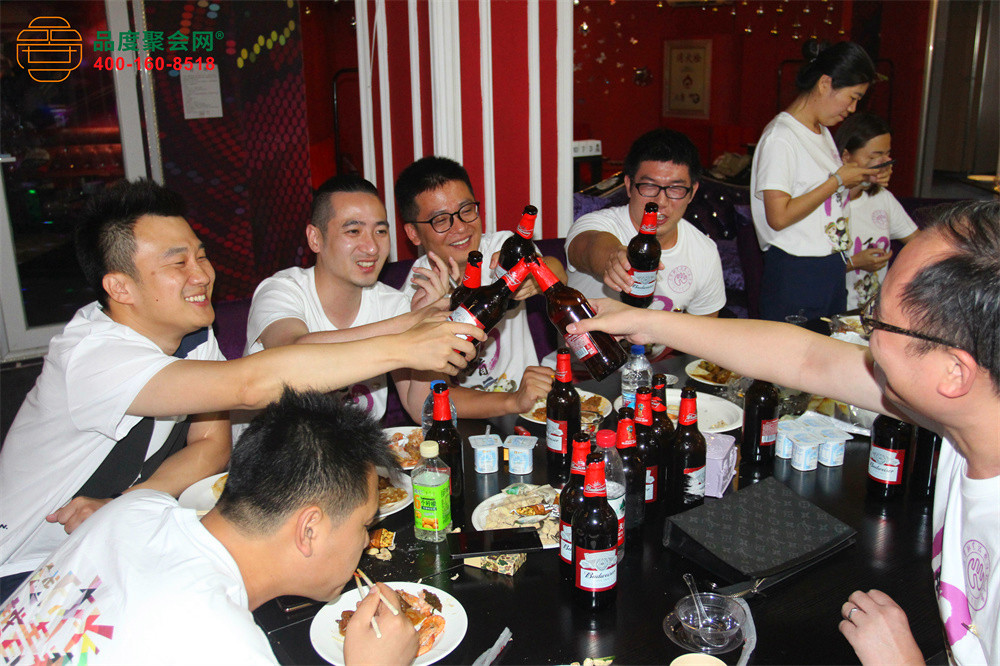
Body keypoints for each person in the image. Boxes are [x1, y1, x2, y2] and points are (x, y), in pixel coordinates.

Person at [0, 179, 484, 597]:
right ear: (120, 288)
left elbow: (210, 447)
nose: (202, 275)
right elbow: (252, 386)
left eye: (201, 255)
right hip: (29, 567)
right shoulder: (91, 355)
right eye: (178, 263)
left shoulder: (192, 336)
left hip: (114, 537)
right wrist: (404, 344)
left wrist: (122, 504)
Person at [567, 200, 1000, 665]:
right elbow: (807, 358)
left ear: (954, 373)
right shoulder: (967, 412)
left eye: (878, 322)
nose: (867, 339)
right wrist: (644, 321)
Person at [1, 389, 419, 665]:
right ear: (309, 530)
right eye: (365, 524)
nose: (366, 541)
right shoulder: (222, 644)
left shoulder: (132, 510)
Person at [245, 174, 454, 422]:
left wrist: (427, 328)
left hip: (357, 446)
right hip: (275, 444)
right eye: (354, 231)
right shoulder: (281, 290)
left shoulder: (391, 304)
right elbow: (290, 351)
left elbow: (421, 409)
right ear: (315, 238)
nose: (372, 247)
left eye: (380, 231)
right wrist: (409, 325)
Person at [395, 156, 561, 416]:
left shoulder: (501, 249)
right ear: (413, 233)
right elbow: (425, 403)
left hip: (528, 412)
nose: (461, 227)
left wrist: (538, 277)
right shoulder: (411, 298)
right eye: (441, 220)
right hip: (463, 424)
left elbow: (556, 268)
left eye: (466, 210)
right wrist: (512, 400)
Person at [751, 40, 885, 321]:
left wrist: (861, 179)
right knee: (793, 347)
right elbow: (779, 216)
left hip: (829, 263)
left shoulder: (820, 132)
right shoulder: (781, 137)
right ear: (825, 83)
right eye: (852, 97)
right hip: (797, 269)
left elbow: (823, 202)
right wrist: (836, 181)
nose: (853, 108)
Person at [565, 127, 726, 317]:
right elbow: (588, 246)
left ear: (692, 192)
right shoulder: (595, 224)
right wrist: (613, 259)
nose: (661, 202)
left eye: (676, 188)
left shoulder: (704, 252)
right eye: (649, 186)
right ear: (629, 185)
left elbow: (704, 330)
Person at [833, 112, 919, 309]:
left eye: (887, 154)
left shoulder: (882, 198)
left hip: (872, 311)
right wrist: (854, 263)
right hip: (835, 309)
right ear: (846, 157)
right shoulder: (827, 204)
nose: (885, 161)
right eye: (875, 156)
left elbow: (918, 242)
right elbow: (808, 271)